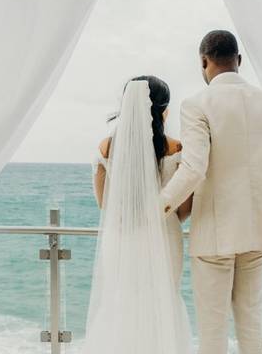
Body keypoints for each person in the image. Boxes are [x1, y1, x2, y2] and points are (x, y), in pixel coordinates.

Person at [161, 31, 262, 354]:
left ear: (203, 61)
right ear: (239, 61)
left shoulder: (197, 104)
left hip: (215, 232)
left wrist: (158, 207)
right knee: (250, 323)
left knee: (213, 330)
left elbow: (194, 169)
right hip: (259, 230)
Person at [85, 75, 192, 354]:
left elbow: (104, 205)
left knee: (120, 302)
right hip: (164, 237)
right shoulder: (176, 149)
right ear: (164, 110)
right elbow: (184, 209)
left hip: (120, 238)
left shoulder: (106, 148)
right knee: (163, 303)